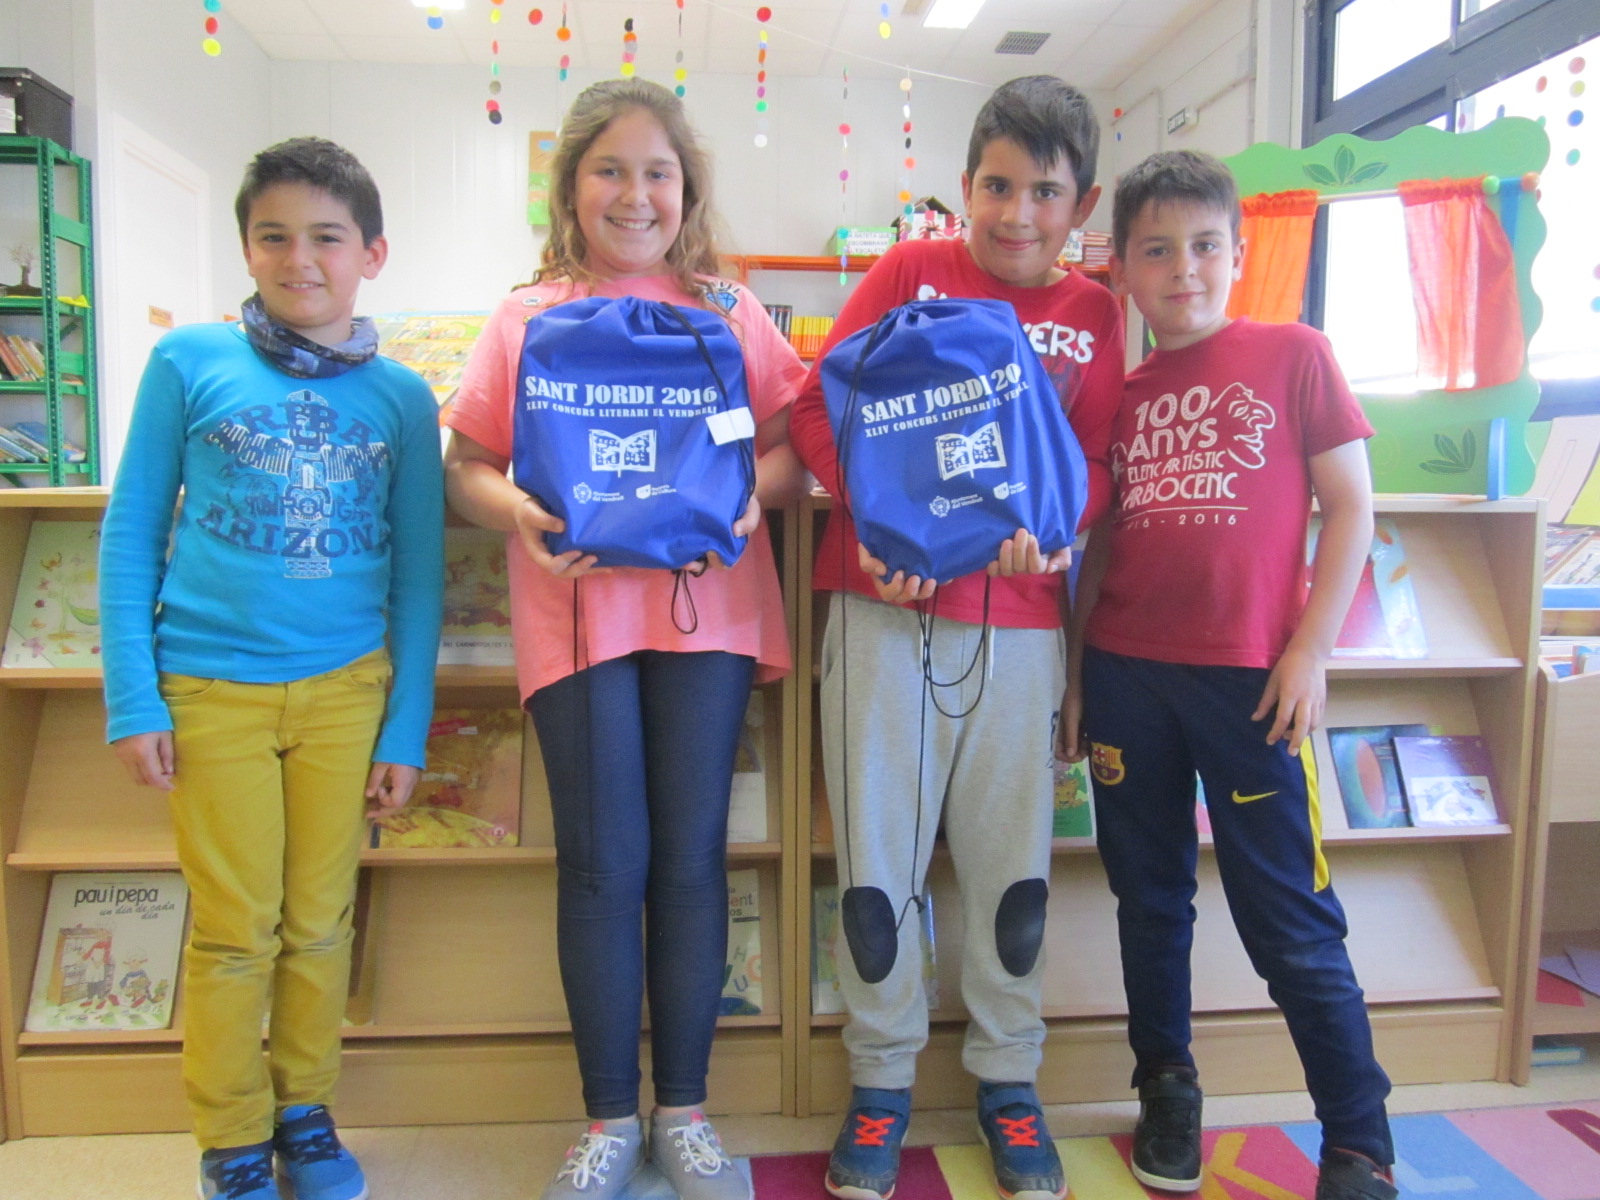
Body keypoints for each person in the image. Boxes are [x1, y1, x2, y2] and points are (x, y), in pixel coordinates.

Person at [443, 78, 808, 1200]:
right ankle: (609, 1119)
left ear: (686, 187)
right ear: (571, 186)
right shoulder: (526, 315)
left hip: (706, 613)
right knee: (603, 866)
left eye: (658, 171)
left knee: (692, 860)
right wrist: (519, 514)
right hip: (578, 615)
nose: (635, 194)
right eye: (610, 169)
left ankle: (683, 1115)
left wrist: (745, 502)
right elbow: (465, 468)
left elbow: (794, 453)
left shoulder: (729, 309)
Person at [788, 75, 1124, 1200]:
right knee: (877, 863)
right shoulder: (906, 273)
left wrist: (1053, 530)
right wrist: (875, 519)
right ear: (964, 184)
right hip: (883, 618)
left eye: (1045, 192)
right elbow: (813, 408)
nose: (1017, 214)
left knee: (1008, 869)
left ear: (1082, 205)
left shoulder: (1096, 314)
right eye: (996, 186)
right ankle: (880, 1081)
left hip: (1019, 632)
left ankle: (1007, 1079)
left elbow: (1094, 466)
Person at [100, 136, 445, 1200]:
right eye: (274, 236)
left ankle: (305, 1111)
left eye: (327, 238)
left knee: (320, 922)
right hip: (210, 691)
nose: (301, 260)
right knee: (236, 929)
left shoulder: (401, 398)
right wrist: (132, 697)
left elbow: (419, 577)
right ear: (245, 247)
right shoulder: (187, 363)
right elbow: (130, 532)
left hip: (346, 695)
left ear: (372, 254)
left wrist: (405, 728)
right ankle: (232, 1137)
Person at [1059, 148, 1396, 1200]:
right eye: (1157, 251)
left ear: (1240, 254)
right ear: (1123, 270)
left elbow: (1353, 508)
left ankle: (1358, 1140)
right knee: (1148, 900)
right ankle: (1167, 1088)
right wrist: (1077, 675)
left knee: (1288, 919)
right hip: (1126, 678)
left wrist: (1310, 649)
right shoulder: (1119, 394)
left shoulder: (1295, 354)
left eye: (1205, 246)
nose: (1184, 270)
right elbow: (1100, 547)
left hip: (1252, 685)